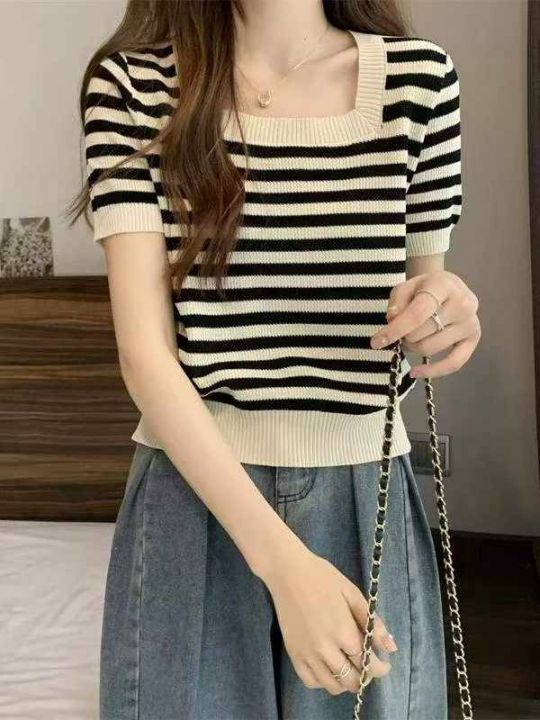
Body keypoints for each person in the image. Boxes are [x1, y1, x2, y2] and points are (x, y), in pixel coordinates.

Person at [70, 0, 481, 718]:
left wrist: (446, 313)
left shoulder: (418, 81)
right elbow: (145, 356)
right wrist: (286, 567)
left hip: (365, 492)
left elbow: (420, 303)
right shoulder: (135, 85)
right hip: (193, 498)